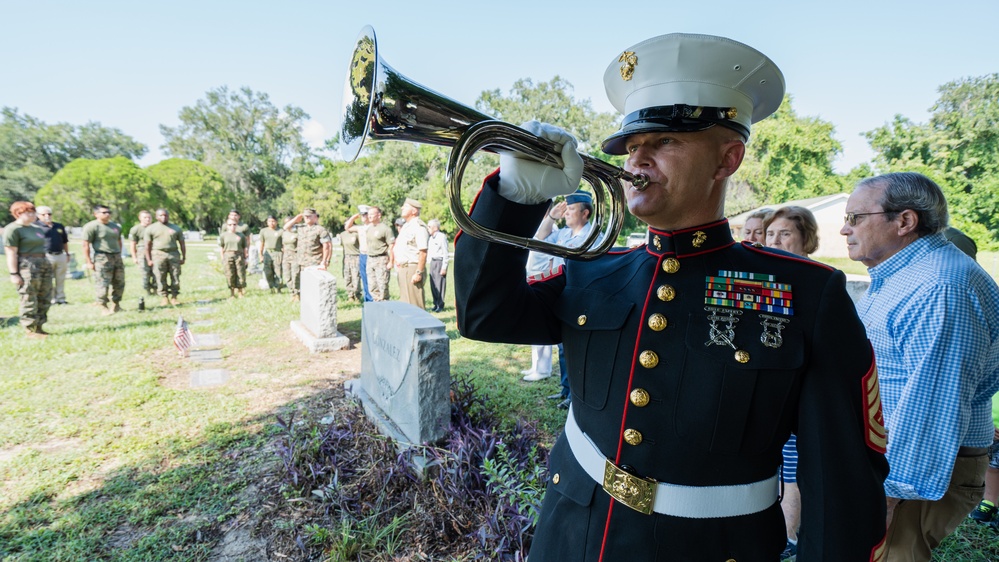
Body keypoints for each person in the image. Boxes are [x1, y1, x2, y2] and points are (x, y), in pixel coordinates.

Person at [454, 32, 889, 561]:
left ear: (727, 159)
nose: (637, 163)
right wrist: (509, 198)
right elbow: (484, 315)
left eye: (663, 143)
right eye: (633, 147)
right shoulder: (593, 272)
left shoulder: (807, 292)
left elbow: (841, 478)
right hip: (575, 535)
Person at [841, 172, 999, 561]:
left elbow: (933, 404)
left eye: (856, 217)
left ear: (905, 221)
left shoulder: (940, 287)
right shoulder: (908, 275)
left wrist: (891, 494)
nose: (845, 229)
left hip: (913, 470)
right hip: (893, 455)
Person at [763, 205, 820, 560]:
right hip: (767, 387)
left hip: (802, 389)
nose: (775, 241)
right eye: (771, 234)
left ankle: (789, 536)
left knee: (793, 462)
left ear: (806, 239)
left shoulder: (819, 280)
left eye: (785, 234)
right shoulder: (760, 277)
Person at [521, 190, 596, 412]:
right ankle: (566, 390)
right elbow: (539, 240)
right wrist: (551, 217)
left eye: (571, 210)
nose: (567, 214)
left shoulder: (593, 237)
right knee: (563, 347)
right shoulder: (563, 234)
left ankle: (577, 396)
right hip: (562, 294)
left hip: (580, 296)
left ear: (585, 213)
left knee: (575, 349)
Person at [4, 201, 52, 337]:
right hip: (27, 265)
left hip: (43, 262)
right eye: (29, 213)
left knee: (45, 296)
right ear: (19, 214)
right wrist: (14, 273)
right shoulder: (13, 229)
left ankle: (40, 326)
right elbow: (11, 252)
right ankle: (30, 329)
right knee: (29, 296)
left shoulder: (36, 228)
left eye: (33, 212)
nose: (33, 215)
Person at [81, 204, 124, 315]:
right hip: (102, 257)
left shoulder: (115, 226)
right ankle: (103, 306)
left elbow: (119, 241)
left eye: (109, 212)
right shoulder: (91, 227)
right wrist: (89, 262)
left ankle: (116, 304)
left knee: (119, 282)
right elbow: (85, 245)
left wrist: (119, 253)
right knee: (102, 283)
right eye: (104, 212)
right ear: (96, 214)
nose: (107, 214)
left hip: (116, 256)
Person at [283, 208, 332, 301]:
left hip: (315, 260)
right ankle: (301, 297)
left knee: (313, 283)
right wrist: (296, 219)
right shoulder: (300, 228)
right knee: (301, 281)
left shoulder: (320, 230)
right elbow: (286, 228)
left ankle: (316, 299)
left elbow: (327, 246)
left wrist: (325, 261)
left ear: (315, 217)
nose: (307, 218)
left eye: (309, 216)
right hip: (301, 261)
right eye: (305, 216)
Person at [144, 208, 186, 307]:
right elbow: (147, 245)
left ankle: (174, 297)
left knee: (175, 276)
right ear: (156, 216)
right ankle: (164, 297)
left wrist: (183, 257)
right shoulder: (151, 229)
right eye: (161, 215)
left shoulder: (176, 228)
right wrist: (149, 259)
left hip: (173, 254)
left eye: (165, 215)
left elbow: (182, 243)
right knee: (160, 277)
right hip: (158, 254)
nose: (163, 217)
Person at [393, 198, 429, 309]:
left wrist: (418, 272)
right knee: (406, 304)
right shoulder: (406, 226)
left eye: (406, 206)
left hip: (412, 268)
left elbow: (423, 252)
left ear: (414, 211)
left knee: (415, 304)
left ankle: (420, 326)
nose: (402, 208)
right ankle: (409, 327)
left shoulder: (418, 226)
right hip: (403, 268)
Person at [34, 206, 71, 305]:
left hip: (60, 255)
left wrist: (67, 254)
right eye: (44, 214)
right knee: (47, 279)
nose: (47, 216)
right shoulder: (35, 227)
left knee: (60, 278)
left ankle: (60, 298)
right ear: (38, 215)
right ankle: (49, 299)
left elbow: (65, 241)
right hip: (46, 256)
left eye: (49, 214)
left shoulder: (59, 226)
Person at [364, 206, 394, 301]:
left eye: (372, 214)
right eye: (368, 214)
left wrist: (391, 261)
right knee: (372, 285)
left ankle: (385, 303)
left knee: (383, 285)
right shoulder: (369, 228)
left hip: (381, 259)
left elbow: (391, 246)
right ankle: (376, 303)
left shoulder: (385, 229)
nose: (369, 216)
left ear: (379, 215)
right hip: (370, 259)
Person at [128, 210, 157, 296]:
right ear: (140, 218)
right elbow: (133, 244)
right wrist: (134, 257)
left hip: (154, 250)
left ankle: (156, 289)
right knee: (145, 273)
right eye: (145, 217)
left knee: (156, 271)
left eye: (149, 217)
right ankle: (147, 290)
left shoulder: (155, 228)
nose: (147, 219)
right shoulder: (135, 229)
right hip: (142, 251)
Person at [219, 210, 250, 290]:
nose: (232, 226)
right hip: (228, 255)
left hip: (239, 255)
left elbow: (246, 245)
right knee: (230, 274)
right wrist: (222, 257)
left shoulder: (242, 232)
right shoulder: (224, 234)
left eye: (234, 225)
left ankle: (240, 291)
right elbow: (221, 246)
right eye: (229, 225)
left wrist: (246, 256)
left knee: (240, 274)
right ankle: (232, 292)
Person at [427, 218, 449, 312]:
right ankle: (435, 303)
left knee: (439, 284)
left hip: (439, 262)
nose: (428, 228)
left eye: (429, 226)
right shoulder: (431, 238)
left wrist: (444, 267)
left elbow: (445, 252)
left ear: (435, 228)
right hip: (433, 262)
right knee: (433, 284)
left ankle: (440, 304)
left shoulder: (441, 237)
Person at [258, 216, 284, 293]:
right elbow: (262, 244)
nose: (271, 223)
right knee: (268, 271)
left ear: (276, 222)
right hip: (268, 253)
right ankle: (271, 287)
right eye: (269, 221)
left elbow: (283, 244)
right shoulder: (263, 231)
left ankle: (278, 288)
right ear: (267, 222)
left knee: (278, 271)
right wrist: (260, 255)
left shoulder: (281, 231)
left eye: (273, 221)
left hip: (277, 252)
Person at [339, 228, 362, 301]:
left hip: (356, 256)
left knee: (356, 277)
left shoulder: (356, 233)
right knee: (347, 277)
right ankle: (350, 295)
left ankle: (357, 296)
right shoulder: (343, 234)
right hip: (347, 257)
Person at [280, 216, 298, 300]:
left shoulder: (297, 233)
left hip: (295, 256)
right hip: (286, 256)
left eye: (289, 222)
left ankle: (297, 293)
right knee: (287, 276)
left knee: (295, 276)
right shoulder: (284, 233)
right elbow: (283, 245)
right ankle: (292, 292)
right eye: (286, 222)